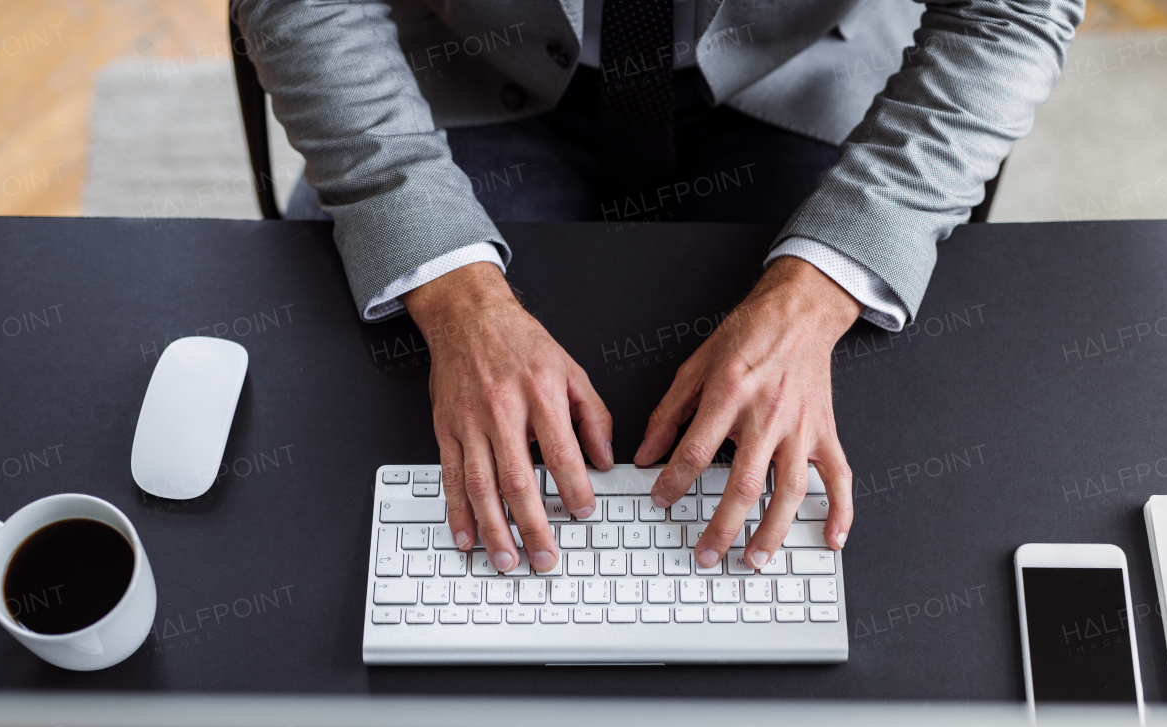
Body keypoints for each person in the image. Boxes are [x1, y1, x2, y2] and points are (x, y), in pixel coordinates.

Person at [234, 0, 1082, 575]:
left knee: (864, 501)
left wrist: (820, 287)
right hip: (462, 62)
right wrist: (455, 293)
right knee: (363, 463)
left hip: (800, 68)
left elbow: (1011, 10)